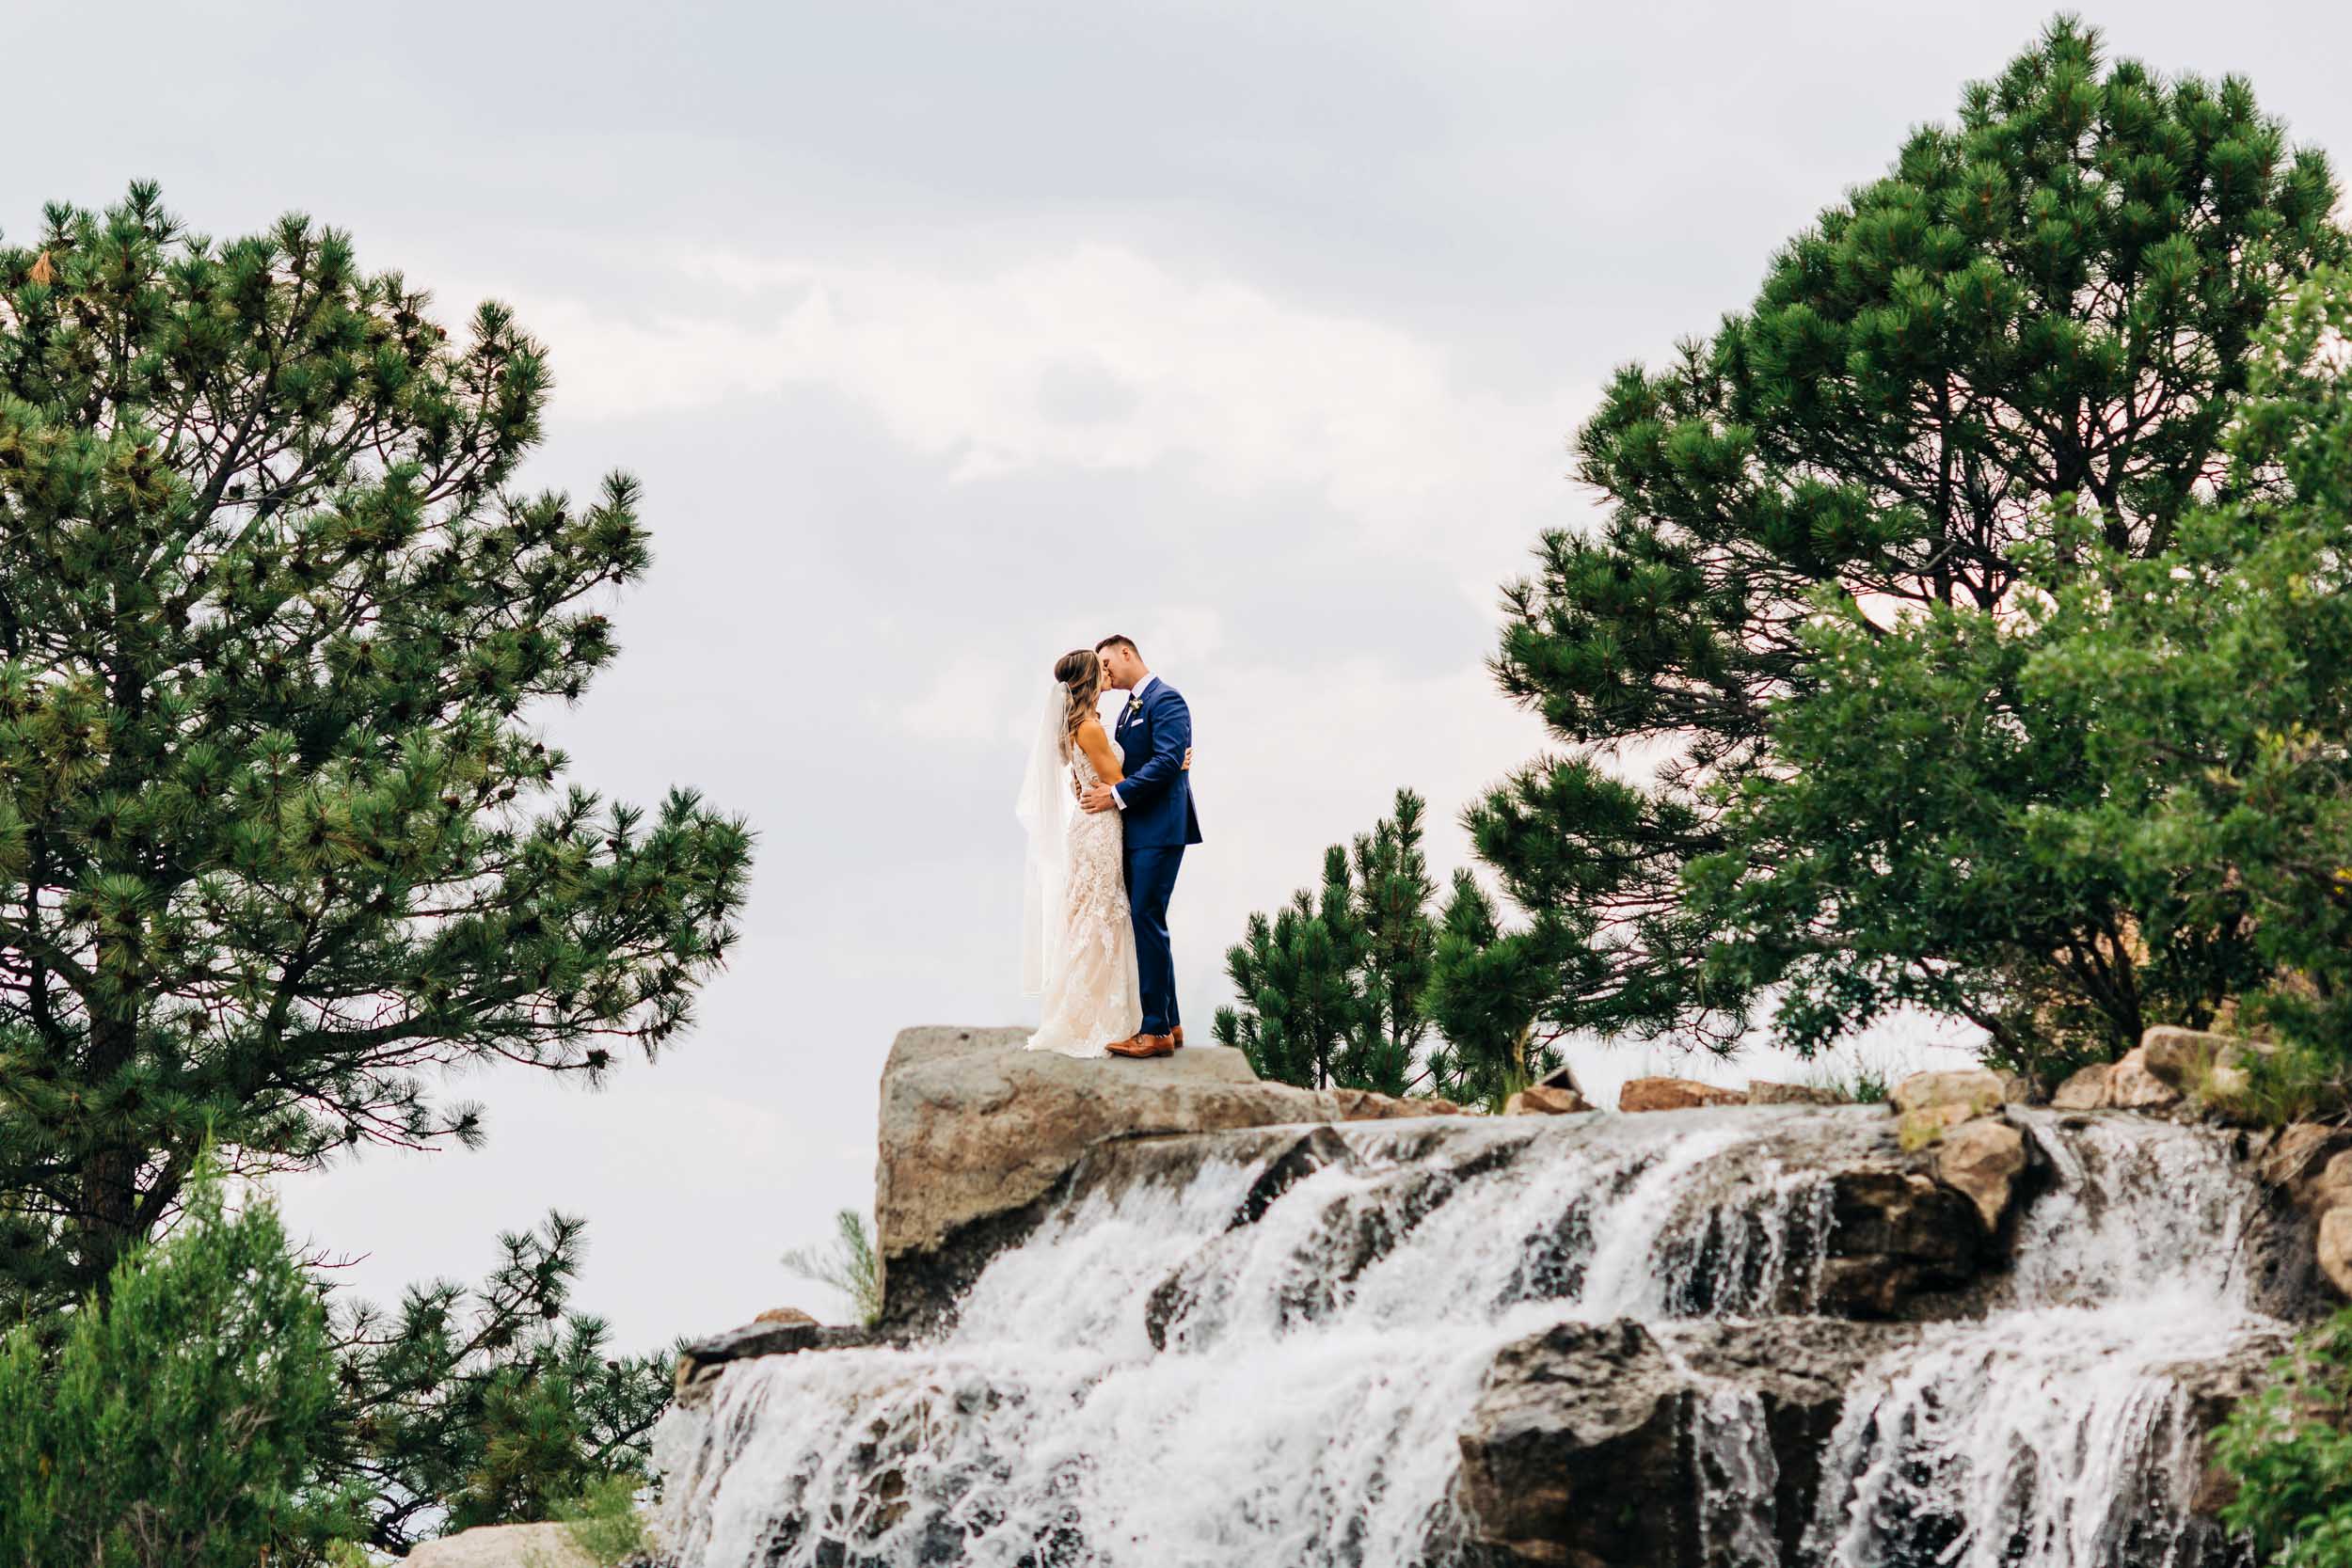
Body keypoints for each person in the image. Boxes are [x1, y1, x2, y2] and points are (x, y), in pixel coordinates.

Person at [1078, 635, 1202, 1059]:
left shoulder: (1166, 700)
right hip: (1137, 829)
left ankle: (1154, 1031)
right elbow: (1135, 764)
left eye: (1107, 661)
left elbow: (1167, 760)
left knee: (1146, 917)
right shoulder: (1124, 712)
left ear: (1127, 653)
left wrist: (1116, 795)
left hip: (1160, 829)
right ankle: (1170, 1020)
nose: (1104, 671)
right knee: (1146, 920)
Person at [1016, 648, 1142, 1055]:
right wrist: (1171, 767)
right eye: (1101, 668)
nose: (1108, 672)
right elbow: (1118, 779)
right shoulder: (1088, 727)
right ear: (1089, 678)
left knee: (1093, 915)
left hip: (1088, 825)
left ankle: (1090, 1011)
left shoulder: (1082, 726)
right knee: (1103, 915)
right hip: (1101, 828)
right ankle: (1095, 1017)